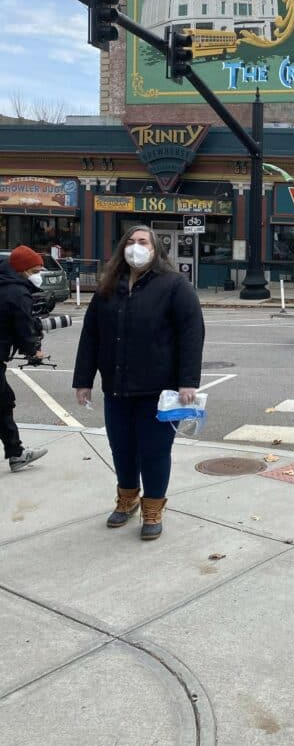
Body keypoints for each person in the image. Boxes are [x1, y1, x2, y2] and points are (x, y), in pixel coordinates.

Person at [73, 227, 204, 540]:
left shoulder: (174, 285)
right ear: (122, 249)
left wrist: (188, 381)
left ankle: (153, 508)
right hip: (116, 388)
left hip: (158, 391)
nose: (136, 247)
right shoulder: (107, 287)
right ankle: (127, 499)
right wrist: (83, 380)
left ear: (156, 249)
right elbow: (91, 335)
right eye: (130, 242)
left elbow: (191, 333)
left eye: (143, 242)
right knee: (122, 449)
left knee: (155, 451)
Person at [0, 246, 48, 472]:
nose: (39, 275)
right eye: (36, 270)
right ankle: (16, 453)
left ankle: (16, 453)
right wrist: (34, 351)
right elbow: (23, 327)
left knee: (3, 401)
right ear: (23, 271)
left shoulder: (5, 285)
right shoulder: (17, 293)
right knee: (3, 403)